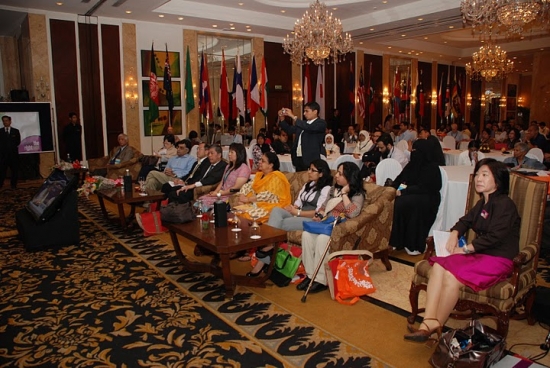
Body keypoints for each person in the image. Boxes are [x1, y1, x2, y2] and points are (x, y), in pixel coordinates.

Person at [404, 159, 520, 343]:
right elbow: (465, 220)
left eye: (484, 175)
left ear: (497, 180)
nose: (478, 179)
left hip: (498, 258)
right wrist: (455, 233)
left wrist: (465, 249)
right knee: (439, 267)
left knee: (451, 277)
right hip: (480, 254)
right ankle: (429, 323)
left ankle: (435, 325)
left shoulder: (505, 204)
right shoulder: (483, 203)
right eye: (478, 175)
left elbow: (495, 237)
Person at [246, 160, 333, 277]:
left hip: (311, 219)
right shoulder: (309, 184)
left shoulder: (326, 189)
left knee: (282, 224)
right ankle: (270, 246)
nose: (309, 172)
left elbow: (318, 212)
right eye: (309, 169)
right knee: (276, 210)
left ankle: (265, 255)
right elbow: (298, 202)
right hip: (297, 213)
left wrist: (297, 211)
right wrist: (293, 207)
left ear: (321, 174)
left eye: (313, 170)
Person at [297, 162, 365, 294]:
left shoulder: (357, 194)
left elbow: (352, 213)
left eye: (340, 174)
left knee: (322, 239)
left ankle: (321, 280)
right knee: (306, 235)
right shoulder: (334, 190)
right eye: (337, 173)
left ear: (349, 177)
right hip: (325, 223)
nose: (336, 176)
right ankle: (311, 276)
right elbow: (323, 207)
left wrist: (345, 194)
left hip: (339, 227)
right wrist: (319, 214)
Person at [389, 139, 442, 255]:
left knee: (402, 203)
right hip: (409, 194)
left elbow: (426, 187)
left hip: (427, 198)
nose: (413, 153)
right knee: (394, 201)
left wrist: (404, 192)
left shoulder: (432, 168)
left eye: (416, 150)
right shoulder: (411, 165)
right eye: (412, 150)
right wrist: (392, 188)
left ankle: (412, 242)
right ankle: (397, 241)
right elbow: (400, 179)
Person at [236, 151, 291, 222]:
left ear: (270, 165)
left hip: (272, 206)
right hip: (257, 203)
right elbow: (248, 185)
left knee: (247, 215)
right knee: (238, 211)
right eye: (260, 160)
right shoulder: (260, 175)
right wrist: (242, 195)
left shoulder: (276, 176)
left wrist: (248, 200)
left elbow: (268, 195)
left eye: (263, 161)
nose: (259, 162)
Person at [198, 143, 251, 208]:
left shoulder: (244, 168)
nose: (229, 154)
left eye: (232, 152)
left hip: (231, 196)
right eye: (229, 152)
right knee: (200, 200)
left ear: (239, 154)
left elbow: (235, 188)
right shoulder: (228, 166)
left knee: (205, 204)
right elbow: (222, 182)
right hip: (221, 194)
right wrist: (215, 192)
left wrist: (219, 194)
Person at [278, 102, 327, 172]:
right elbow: (289, 130)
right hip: (298, 158)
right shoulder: (303, 124)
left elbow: (309, 128)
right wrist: (282, 119)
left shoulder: (321, 123)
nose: (304, 113)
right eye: (304, 111)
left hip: (310, 159)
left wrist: (293, 116)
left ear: (315, 112)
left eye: (307, 111)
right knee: (299, 180)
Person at [0, 115, 21, 189]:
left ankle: (13, 185)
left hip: (13, 155)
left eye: (6, 120)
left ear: (10, 121)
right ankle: (1, 184)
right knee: (2, 171)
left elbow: (18, 142)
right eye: (3, 121)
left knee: (14, 170)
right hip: (3, 156)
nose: (5, 122)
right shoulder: (0, 131)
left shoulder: (15, 131)